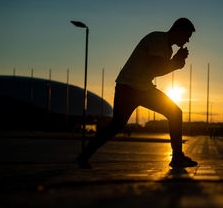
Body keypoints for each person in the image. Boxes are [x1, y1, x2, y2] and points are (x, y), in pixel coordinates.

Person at [76, 18, 198, 169]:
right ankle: (83, 156)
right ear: (178, 30)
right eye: (187, 36)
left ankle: (178, 157)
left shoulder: (167, 48)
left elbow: (157, 69)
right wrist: (176, 63)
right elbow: (156, 67)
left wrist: (175, 63)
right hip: (129, 88)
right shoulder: (157, 39)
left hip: (142, 88)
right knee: (117, 125)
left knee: (174, 113)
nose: (187, 41)